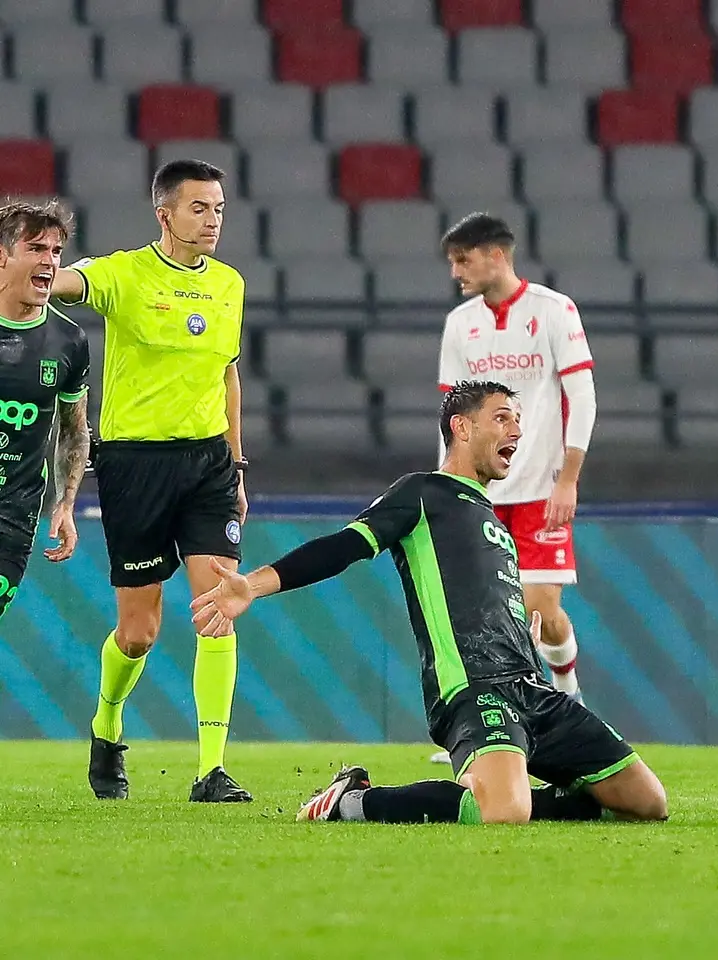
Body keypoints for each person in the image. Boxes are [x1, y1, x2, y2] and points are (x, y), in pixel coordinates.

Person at [191, 381, 666, 826]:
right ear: (462, 427)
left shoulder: (495, 523)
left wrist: (524, 638)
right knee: (505, 812)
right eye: (502, 418)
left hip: (532, 687)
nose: (517, 430)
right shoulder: (423, 493)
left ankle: (510, 792)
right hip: (474, 689)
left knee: (646, 802)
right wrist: (252, 584)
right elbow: (343, 547)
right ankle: (353, 800)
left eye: (518, 420)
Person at [51, 160, 251, 803]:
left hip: (207, 465)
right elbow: (66, 282)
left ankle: (211, 770)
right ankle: (106, 724)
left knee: (218, 605)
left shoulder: (230, 284)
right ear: (164, 214)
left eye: (218, 207)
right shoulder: (125, 273)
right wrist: (32, 274)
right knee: (139, 631)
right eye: (199, 207)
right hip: (135, 464)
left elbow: (227, 375)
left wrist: (237, 463)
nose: (212, 218)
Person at [430, 214, 595, 768]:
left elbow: (582, 397)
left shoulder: (554, 311)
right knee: (486, 614)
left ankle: (567, 698)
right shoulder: (460, 325)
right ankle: (493, 725)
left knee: (541, 608)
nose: (456, 272)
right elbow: (452, 414)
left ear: (496, 255)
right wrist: (446, 487)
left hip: (542, 489)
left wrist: (569, 477)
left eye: (463, 260)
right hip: (481, 491)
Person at [0, 201, 89, 619]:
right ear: (3, 255)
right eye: (36, 248)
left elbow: (73, 430)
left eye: (56, 252)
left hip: (13, 514)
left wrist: (66, 502)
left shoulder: (68, 341)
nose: (49, 261)